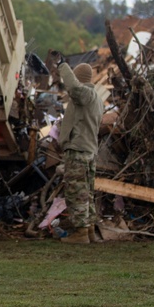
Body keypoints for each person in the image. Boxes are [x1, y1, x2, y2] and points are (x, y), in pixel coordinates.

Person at [54, 57, 103, 244]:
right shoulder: (96, 99)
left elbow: (73, 88)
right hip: (89, 151)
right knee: (87, 192)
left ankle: (81, 233)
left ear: (79, 77)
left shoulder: (84, 94)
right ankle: (89, 229)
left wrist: (62, 66)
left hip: (79, 151)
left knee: (76, 191)